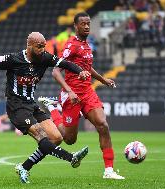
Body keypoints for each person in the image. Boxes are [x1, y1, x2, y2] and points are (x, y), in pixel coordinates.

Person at [0, 32, 90, 184]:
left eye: (44, 46)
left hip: (31, 104)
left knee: (56, 138)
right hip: (16, 106)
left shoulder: (45, 58)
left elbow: (65, 63)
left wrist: (80, 71)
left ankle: (24, 167)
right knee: (41, 137)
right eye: (39, 47)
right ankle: (71, 157)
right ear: (29, 46)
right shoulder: (14, 59)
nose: (42, 50)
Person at [38, 12, 125, 180]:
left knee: (103, 125)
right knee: (69, 140)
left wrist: (103, 79)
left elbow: (87, 67)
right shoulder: (71, 45)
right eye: (83, 24)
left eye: (88, 23)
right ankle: (53, 108)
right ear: (75, 26)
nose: (86, 26)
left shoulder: (86, 45)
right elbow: (56, 71)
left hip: (88, 92)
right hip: (72, 95)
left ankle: (109, 170)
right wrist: (69, 91)